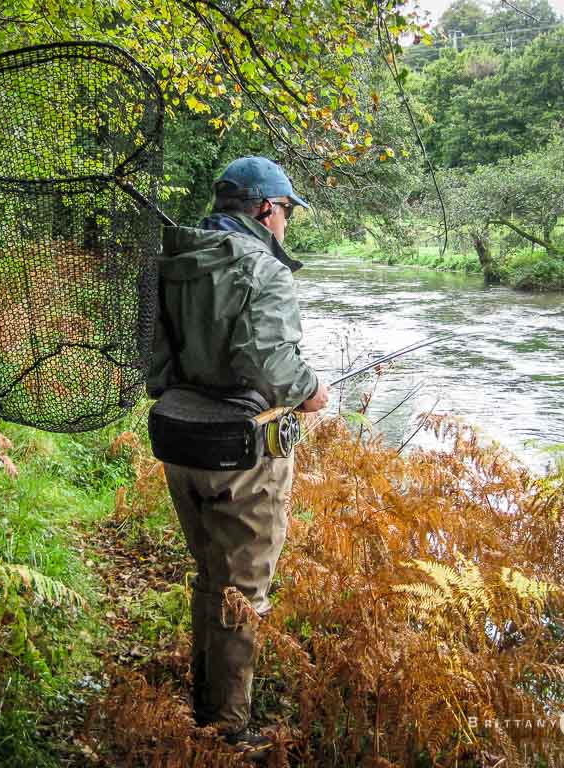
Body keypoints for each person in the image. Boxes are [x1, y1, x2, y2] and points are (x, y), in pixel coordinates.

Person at [146, 156, 330, 758]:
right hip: (239, 450)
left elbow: (154, 353)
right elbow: (270, 366)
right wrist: (312, 392)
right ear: (264, 209)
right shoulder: (264, 269)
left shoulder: (173, 259)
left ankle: (203, 704)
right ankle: (226, 731)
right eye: (285, 213)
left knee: (209, 576)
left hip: (177, 437)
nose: (285, 226)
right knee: (242, 590)